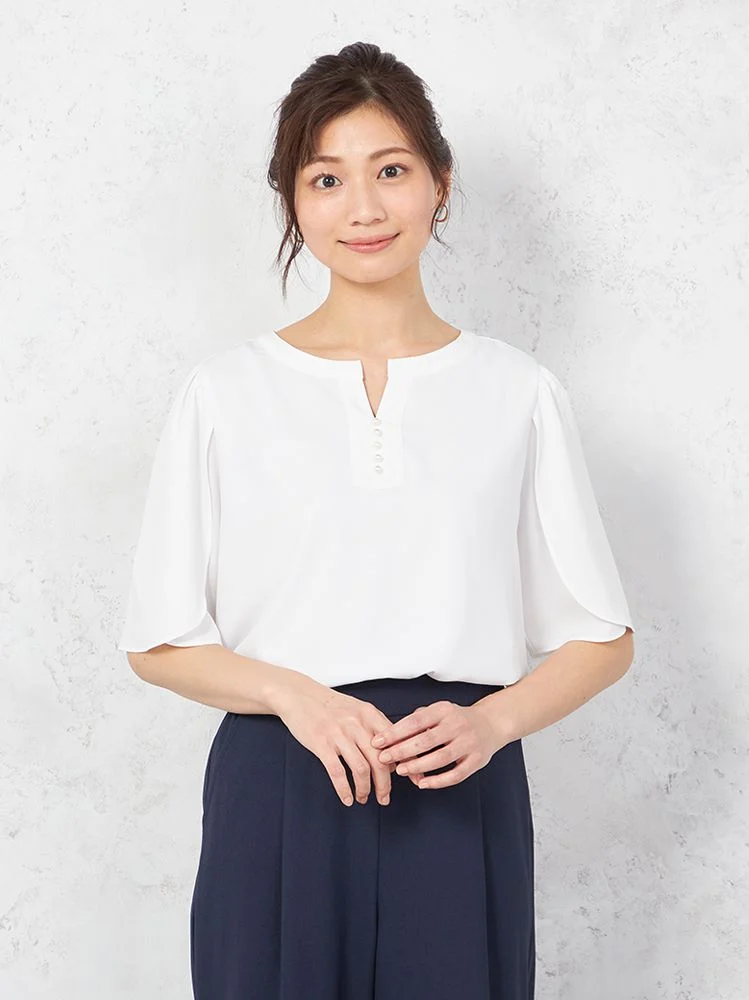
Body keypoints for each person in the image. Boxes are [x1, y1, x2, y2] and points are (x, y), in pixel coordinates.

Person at [117, 41, 634, 1000]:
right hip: (282, 781)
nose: (363, 208)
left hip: (458, 785)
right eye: (327, 179)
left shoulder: (517, 391)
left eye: (390, 170)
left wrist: (493, 723)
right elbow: (157, 641)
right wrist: (295, 697)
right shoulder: (225, 393)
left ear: (440, 183)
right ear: (293, 201)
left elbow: (602, 636)